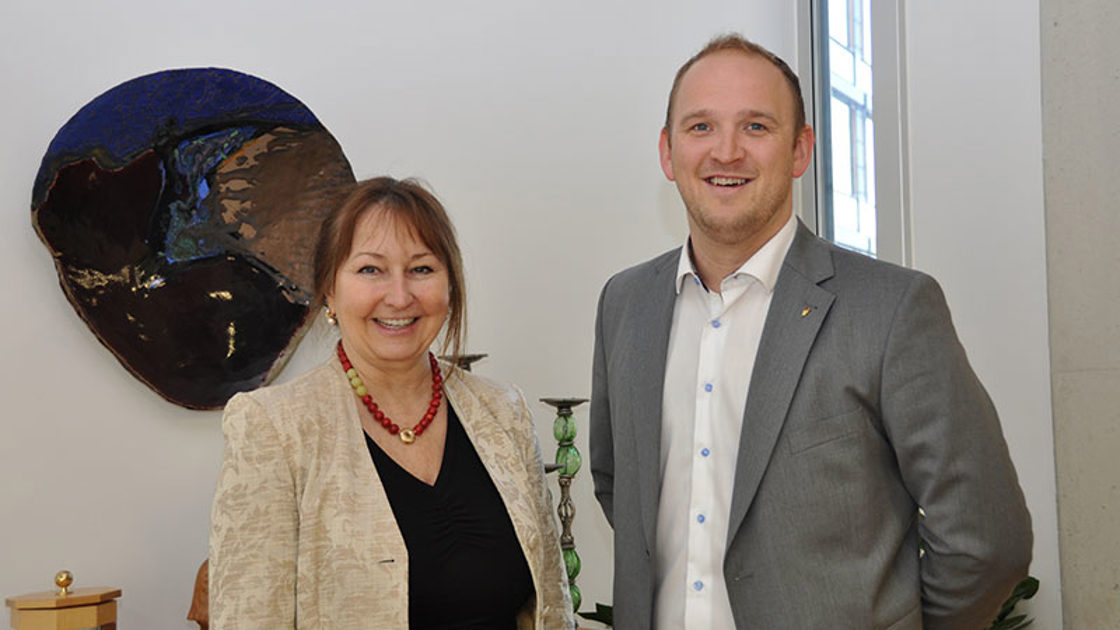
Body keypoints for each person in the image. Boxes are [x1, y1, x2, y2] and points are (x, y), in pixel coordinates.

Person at [589, 34, 1032, 630]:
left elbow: (986, 539)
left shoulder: (891, 309)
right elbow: (618, 485)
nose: (726, 151)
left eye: (756, 127)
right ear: (668, 153)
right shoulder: (624, 304)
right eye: (701, 127)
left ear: (800, 151)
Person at [210, 177, 574, 629]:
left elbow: (552, 610)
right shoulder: (273, 428)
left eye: (421, 269)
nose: (399, 297)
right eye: (370, 270)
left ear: (450, 285)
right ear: (329, 290)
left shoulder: (504, 411)